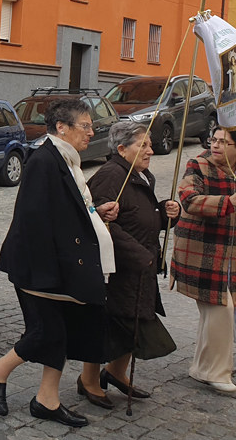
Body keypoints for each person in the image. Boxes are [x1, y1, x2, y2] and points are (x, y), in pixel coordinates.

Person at [0, 98, 119, 428]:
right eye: (85, 126)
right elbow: (33, 218)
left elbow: (64, 211)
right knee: (45, 331)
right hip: (39, 266)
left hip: (61, 264)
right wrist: (48, 275)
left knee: (60, 333)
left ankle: (46, 400)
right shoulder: (44, 159)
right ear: (62, 127)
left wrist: (94, 213)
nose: (91, 132)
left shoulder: (67, 159)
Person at [76, 121, 179, 408]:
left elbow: (140, 215)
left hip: (140, 267)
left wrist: (168, 211)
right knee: (108, 326)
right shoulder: (111, 175)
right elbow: (100, 221)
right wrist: (138, 254)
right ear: (121, 149)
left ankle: (115, 372)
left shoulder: (140, 175)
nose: (150, 150)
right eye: (142, 145)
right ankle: (89, 380)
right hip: (119, 268)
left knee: (136, 322)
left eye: (149, 144)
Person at [170, 127, 236, 392]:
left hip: (230, 252)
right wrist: (229, 201)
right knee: (221, 309)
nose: (216, 146)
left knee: (215, 310)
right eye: (214, 140)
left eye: (224, 142)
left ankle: (202, 366)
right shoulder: (197, 164)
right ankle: (216, 372)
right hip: (201, 250)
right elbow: (189, 199)